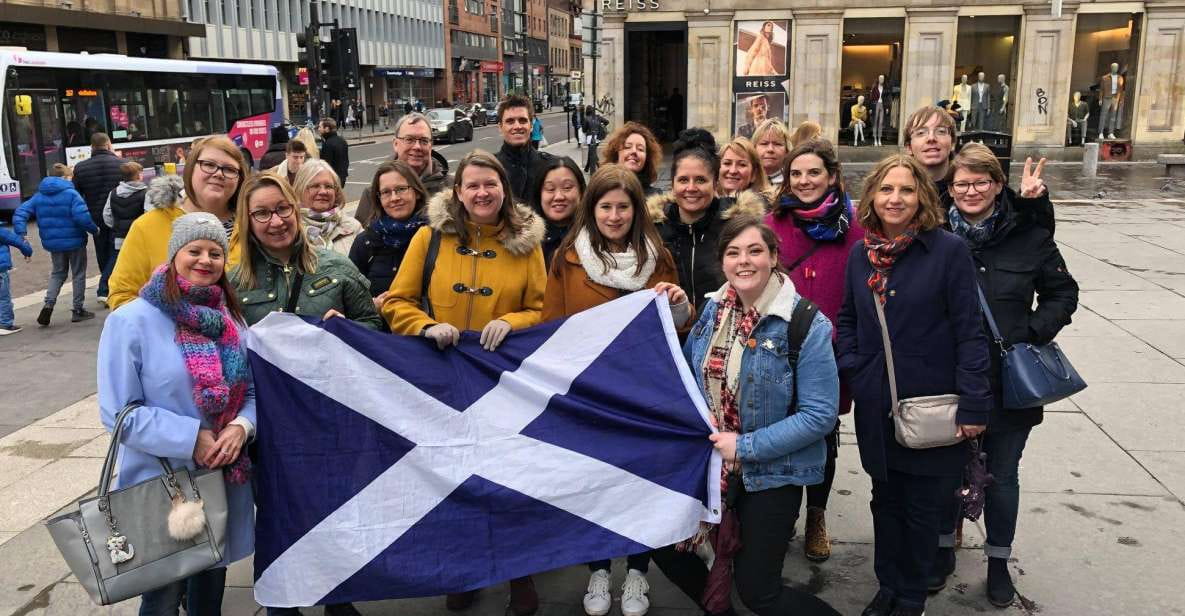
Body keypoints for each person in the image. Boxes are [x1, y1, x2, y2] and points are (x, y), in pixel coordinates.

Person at [381, 150, 545, 615]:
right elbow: (397, 301)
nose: (481, 193)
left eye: (490, 184)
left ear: (504, 190)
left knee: (508, 479)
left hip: (502, 381)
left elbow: (540, 308)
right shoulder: (429, 238)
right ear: (458, 191)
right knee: (453, 480)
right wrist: (425, 326)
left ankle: (520, 574)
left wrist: (513, 321)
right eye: (472, 185)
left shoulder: (526, 245)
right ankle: (464, 570)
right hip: (443, 377)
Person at [651, 216, 841, 616]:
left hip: (773, 472)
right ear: (722, 262)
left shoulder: (806, 324)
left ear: (773, 257)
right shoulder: (712, 313)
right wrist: (674, 311)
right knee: (664, 545)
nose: (744, 261)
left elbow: (820, 415)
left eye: (755, 251)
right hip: (709, 466)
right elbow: (686, 379)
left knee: (760, 592)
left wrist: (745, 446)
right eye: (733, 253)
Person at [836, 154, 992, 616]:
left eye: (906, 190)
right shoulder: (860, 254)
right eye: (886, 189)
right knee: (885, 500)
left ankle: (911, 596)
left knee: (924, 508)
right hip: (878, 405)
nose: (895, 199)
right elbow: (847, 318)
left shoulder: (947, 251)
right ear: (872, 197)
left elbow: (970, 330)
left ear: (921, 196)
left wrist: (975, 406)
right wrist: (856, 367)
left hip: (932, 404)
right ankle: (887, 583)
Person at [541, 164, 690, 616]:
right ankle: (599, 571)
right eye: (605, 206)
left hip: (643, 394)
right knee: (594, 485)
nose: (613, 216)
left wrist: (682, 306)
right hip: (589, 394)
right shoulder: (568, 257)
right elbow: (552, 325)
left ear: (635, 210)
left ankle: (638, 574)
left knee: (639, 486)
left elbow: (677, 327)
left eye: (622, 207)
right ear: (593, 209)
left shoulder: (658, 256)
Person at [933, 145, 1077, 607]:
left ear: (998, 185)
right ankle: (940, 551)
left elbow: (1063, 293)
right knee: (944, 471)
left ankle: (998, 561)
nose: (970, 191)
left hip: (1007, 381)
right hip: (946, 376)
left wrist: (1029, 333)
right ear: (949, 189)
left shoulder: (1028, 236)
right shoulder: (933, 235)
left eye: (980, 182)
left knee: (1003, 474)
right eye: (961, 184)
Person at [97, 212, 256, 616]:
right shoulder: (130, 321)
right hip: (163, 484)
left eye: (215, 253)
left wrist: (241, 426)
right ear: (174, 255)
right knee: (163, 595)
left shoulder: (230, 320)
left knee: (210, 586)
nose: (205, 260)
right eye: (195, 250)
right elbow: (119, 414)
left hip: (221, 479)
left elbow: (251, 392)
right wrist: (192, 437)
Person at [765, 138, 865, 562]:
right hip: (778, 350)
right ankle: (784, 513)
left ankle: (817, 516)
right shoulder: (773, 223)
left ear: (831, 176)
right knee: (781, 432)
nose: (804, 181)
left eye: (813, 173)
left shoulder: (855, 225)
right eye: (796, 174)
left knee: (823, 436)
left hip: (829, 351)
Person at [108, 136, 248, 310]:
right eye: (209, 165)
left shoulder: (252, 226)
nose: (219, 173)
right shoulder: (148, 226)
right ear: (190, 169)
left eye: (229, 169)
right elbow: (121, 295)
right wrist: (174, 324)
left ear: (239, 178)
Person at [230, 173, 380, 332]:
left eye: (283, 208)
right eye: (262, 213)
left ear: (295, 210)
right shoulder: (233, 284)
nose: (277, 221)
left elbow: (372, 324)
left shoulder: (338, 267)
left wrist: (347, 329)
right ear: (248, 222)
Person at [648, 130, 765, 314]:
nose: (691, 188)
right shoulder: (653, 229)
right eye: (683, 180)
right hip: (673, 333)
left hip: (726, 332)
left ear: (715, 183)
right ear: (672, 184)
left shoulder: (738, 225)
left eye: (701, 180)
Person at [903, 105, 1056, 235]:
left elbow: (1034, 238)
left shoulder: (984, 185)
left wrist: (1033, 203)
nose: (931, 138)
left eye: (941, 131)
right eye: (921, 133)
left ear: (953, 143)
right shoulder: (895, 190)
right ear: (909, 147)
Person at [13, 165, 98, 326]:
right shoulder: (72, 195)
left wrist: (21, 233)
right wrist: (95, 230)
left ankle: (49, 304)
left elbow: (20, 213)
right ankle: (78, 309)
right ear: (65, 178)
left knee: (58, 273)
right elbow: (82, 217)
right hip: (75, 242)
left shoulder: (39, 196)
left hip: (53, 243)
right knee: (78, 273)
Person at [349, 160, 430, 312]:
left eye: (401, 189)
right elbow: (349, 298)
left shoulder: (436, 237)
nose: (394, 198)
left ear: (417, 192)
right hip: (380, 333)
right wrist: (372, 305)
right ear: (378, 198)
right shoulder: (365, 242)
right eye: (386, 192)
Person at [354, 112, 452, 224]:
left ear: (431, 145)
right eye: (409, 139)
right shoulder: (373, 194)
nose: (417, 147)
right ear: (396, 144)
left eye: (424, 141)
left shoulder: (451, 188)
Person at [71, 132, 123, 304]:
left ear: (91, 147)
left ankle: (106, 285)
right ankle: (110, 285)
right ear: (108, 144)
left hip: (95, 216)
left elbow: (77, 195)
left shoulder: (80, 167)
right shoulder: (121, 164)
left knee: (102, 252)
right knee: (117, 251)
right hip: (119, 215)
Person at [294, 159, 362, 256]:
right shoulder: (289, 230)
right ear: (300, 189)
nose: (323, 192)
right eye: (315, 186)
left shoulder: (353, 227)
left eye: (328, 186)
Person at [496, 95, 553, 203]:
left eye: (522, 120)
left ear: (531, 125)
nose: (517, 126)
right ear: (500, 127)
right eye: (510, 121)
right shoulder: (492, 168)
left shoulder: (549, 166)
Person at [531, 156, 586, 267]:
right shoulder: (525, 243)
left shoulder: (596, 237)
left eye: (567, 187)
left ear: (581, 191)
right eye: (550, 189)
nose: (559, 196)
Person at [101, 161, 149, 278]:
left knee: (115, 262)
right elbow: (149, 214)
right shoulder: (145, 193)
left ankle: (103, 289)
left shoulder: (113, 193)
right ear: (138, 175)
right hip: (138, 236)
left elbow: (106, 214)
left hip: (119, 235)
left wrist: (115, 226)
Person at [599, 121, 665, 196]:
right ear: (616, 153)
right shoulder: (601, 192)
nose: (634, 151)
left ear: (647, 158)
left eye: (640, 149)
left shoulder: (656, 198)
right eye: (627, 147)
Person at [0, 220, 33, 335]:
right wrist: (28, 252)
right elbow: (19, 242)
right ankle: (5, 324)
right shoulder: (1, 232)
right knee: (3, 298)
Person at [752, 119, 790, 188]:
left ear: (787, 151)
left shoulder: (793, 184)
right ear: (754, 148)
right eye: (764, 144)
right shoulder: (745, 181)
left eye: (777, 144)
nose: (770, 149)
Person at [318, 117, 350, 185]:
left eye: (320, 127)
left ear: (326, 129)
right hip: (342, 176)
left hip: (332, 178)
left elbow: (326, 164)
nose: (318, 129)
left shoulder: (328, 144)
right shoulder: (342, 140)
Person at [583, 105, 605, 174]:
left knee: (593, 155)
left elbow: (584, 130)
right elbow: (607, 122)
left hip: (590, 139)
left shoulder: (586, 118)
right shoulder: (598, 117)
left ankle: (597, 170)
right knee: (591, 153)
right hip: (597, 138)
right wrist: (600, 127)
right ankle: (587, 168)